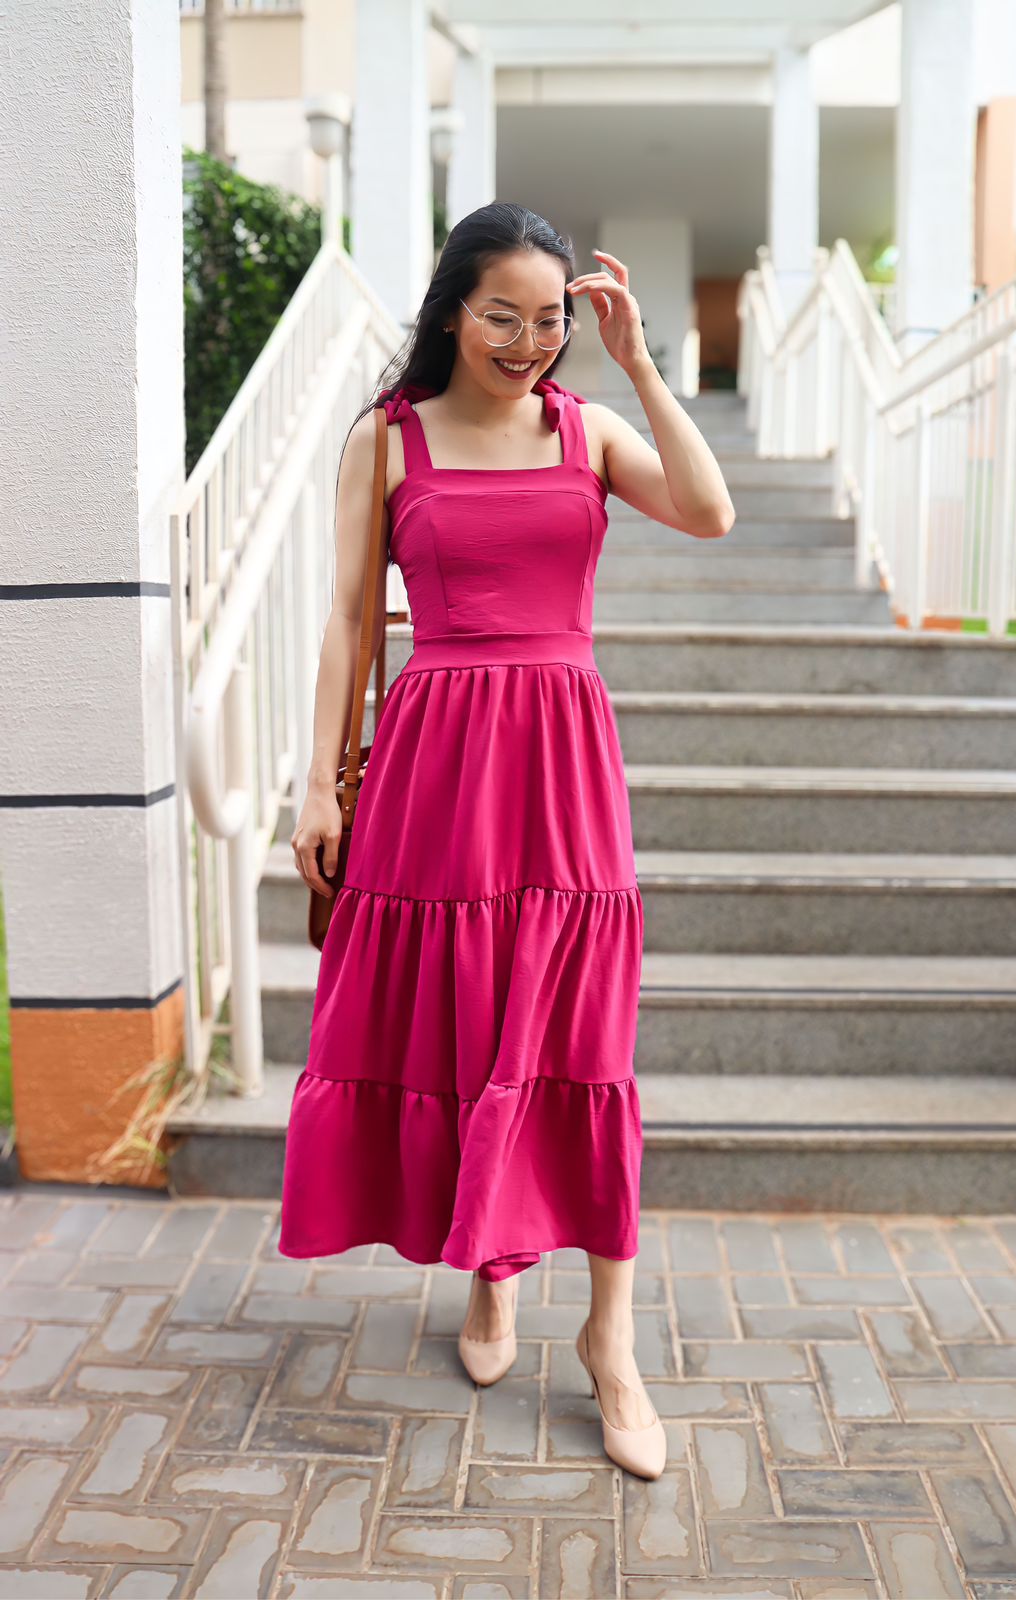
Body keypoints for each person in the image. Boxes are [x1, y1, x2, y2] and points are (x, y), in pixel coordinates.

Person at [280, 202, 735, 1480]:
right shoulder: (387, 439)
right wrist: (316, 786)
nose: (528, 343)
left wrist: (639, 364)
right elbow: (348, 623)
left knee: (584, 1039)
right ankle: (492, 1267)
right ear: (449, 312)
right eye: (502, 316)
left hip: (563, 758)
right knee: (470, 1013)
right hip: (436, 762)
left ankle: (610, 1336)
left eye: (548, 321)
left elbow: (709, 511)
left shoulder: (587, 431)